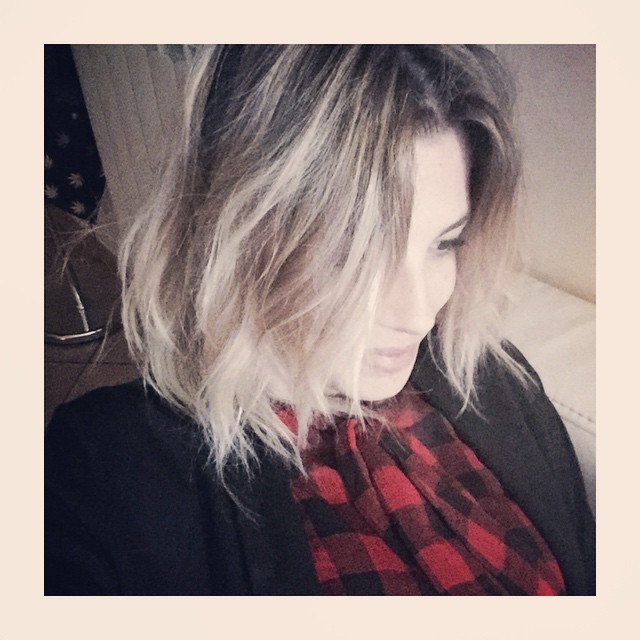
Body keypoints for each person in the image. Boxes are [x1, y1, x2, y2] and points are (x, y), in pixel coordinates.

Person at [44, 45, 595, 595]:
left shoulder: (496, 381)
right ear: (235, 237)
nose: (419, 313)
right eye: (353, 253)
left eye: (445, 243)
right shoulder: (102, 476)